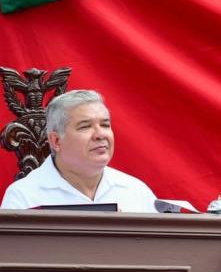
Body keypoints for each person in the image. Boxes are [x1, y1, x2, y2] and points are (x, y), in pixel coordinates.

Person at [1, 90, 158, 212]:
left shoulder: (136, 191)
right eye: (85, 126)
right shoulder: (24, 196)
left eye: (105, 125)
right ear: (56, 140)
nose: (100, 135)